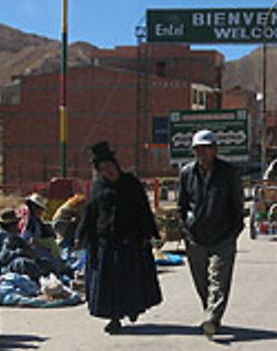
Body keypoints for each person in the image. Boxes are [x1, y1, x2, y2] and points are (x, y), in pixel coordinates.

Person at [76, 141, 162, 334]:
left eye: (110, 166)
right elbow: (90, 213)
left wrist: (149, 234)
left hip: (130, 243)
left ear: (116, 165)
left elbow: (143, 210)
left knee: (131, 281)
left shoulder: (131, 184)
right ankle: (114, 318)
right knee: (110, 285)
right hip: (106, 244)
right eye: (103, 169)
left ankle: (132, 308)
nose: (108, 171)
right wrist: (80, 235)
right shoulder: (98, 187)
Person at [177, 129, 245, 338]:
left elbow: (237, 205)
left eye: (206, 149)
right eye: (198, 150)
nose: (202, 154)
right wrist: (185, 228)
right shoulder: (187, 173)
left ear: (215, 149)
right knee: (201, 281)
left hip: (223, 236)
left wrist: (233, 232)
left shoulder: (229, 173)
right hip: (196, 237)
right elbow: (182, 203)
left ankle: (212, 317)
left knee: (219, 278)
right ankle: (210, 311)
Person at [0, 208, 46, 281]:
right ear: (8, 225)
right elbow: (3, 258)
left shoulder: (15, 236)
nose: (17, 226)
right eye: (15, 224)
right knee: (23, 263)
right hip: (3, 268)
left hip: (14, 264)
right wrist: (21, 252)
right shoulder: (3, 237)